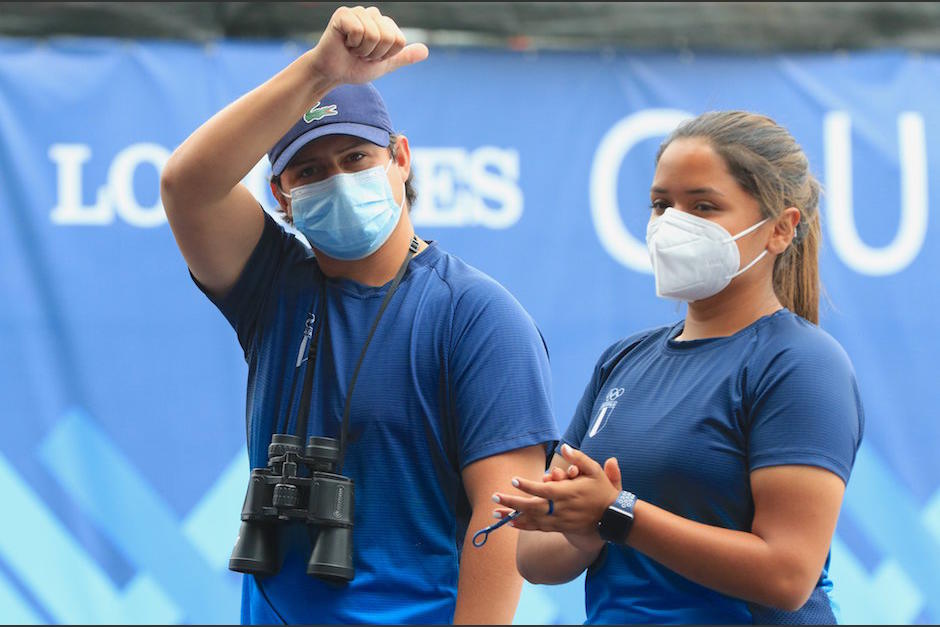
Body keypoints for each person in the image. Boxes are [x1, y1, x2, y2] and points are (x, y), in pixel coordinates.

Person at [159, 6, 557, 624]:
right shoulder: (272, 288)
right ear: (281, 196)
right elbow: (188, 185)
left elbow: (502, 517)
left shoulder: (476, 315)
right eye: (310, 170)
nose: (338, 180)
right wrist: (320, 71)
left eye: (356, 159)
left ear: (400, 158)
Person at [492, 111, 864, 624]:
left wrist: (616, 513)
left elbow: (787, 576)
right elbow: (535, 559)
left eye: (704, 206)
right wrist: (580, 526)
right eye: (661, 204)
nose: (671, 225)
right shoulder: (622, 361)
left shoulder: (799, 364)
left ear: (780, 229)